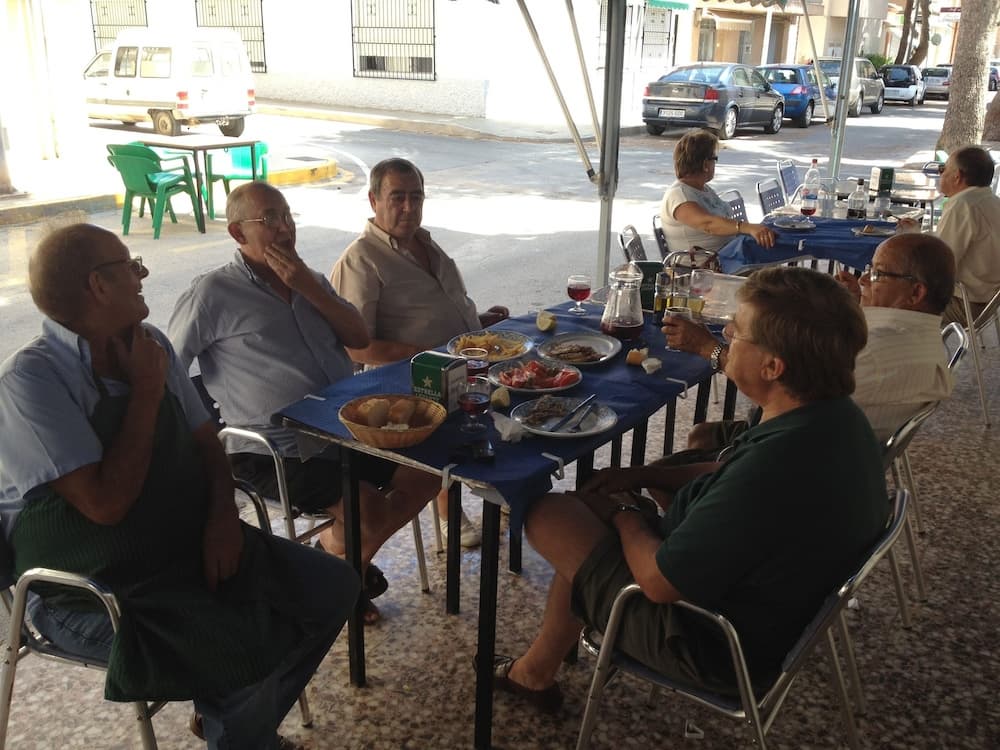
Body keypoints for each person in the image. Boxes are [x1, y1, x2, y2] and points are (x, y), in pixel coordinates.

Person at [0, 224, 358, 749]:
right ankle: (242, 729)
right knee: (243, 650)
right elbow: (105, 505)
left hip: (178, 546)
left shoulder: (150, 343)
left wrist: (222, 521)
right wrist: (146, 391)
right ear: (98, 285)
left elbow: (207, 442)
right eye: (131, 265)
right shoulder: (31, 382)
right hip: (88, 589)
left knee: (333, 587)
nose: (143, 273)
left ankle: (237, 729)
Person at [492, 267, 888, 711]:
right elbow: (727, 470)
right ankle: (535, 672)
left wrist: (626, 515)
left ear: (773, 366)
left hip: (712, 644)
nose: (726, 335)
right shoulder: (833, 418)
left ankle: (534, 671)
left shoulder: (775, 467)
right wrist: (640, 478)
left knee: (550, 515)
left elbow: (659, 583)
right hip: (764, 608)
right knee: (594, 514)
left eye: (737, 331)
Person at [169, 182, 441, 625]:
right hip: (271, 448)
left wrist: (309, 289)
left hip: (342, 430)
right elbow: (169, 369)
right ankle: (343, 577)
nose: (284, 228)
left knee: (428, 474)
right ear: (238, 233)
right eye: (269, 220)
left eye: (287, 216)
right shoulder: (213, 293)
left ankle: (332, 566)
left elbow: (358, 338)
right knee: (368, 511)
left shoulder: (310, 279)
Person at [330, 157, 510, 549]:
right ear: (374, 200)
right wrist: (424, 354)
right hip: (409, 386)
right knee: (457, 430)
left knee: (516, 405)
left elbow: (438, 310)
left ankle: (507, 487)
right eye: (397, 197)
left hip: (460, 370)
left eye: (416, 197)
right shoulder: (361, 259)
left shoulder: (426, 244)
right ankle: (448, 510)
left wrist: (480, 322)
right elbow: (355, 345)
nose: (409, 207)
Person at [664, 233, 956, 442]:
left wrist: (707, 347)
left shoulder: (873, 353)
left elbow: (773, 382)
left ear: (916, 293)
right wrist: (854, 306)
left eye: (878, 274)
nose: (864, 279)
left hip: (797, 449)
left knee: (685, 453)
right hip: (835, 444)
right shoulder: (920, 337)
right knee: (702, 434)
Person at [898, 145, 1000, 325]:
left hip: (964, 304)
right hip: (989, 303)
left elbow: (939, 264)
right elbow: (951, 245)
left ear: (957, 176)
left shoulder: (963, 205)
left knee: (888, 298)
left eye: (943, 169)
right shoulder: (992, 202)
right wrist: (917, 233)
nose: (940, 175)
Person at [659, 129, 776, 254]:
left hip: (729, 253)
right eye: (714, 158)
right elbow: (708, 224)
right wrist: (747, 227)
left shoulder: (703, 189)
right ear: (705, 164)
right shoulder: (679, 195)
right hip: (706, 263)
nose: (715, 164)